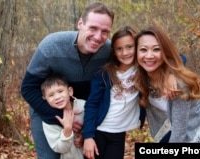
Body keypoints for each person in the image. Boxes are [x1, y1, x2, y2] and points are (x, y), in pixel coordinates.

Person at [21, 2, 114, 158]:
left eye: (105, 31)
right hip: (47, 109)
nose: (98, 37)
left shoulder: (109, 51)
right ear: (80, 23)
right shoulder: (51, 46)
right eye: (93, 28)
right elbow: (28, 89)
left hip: (84, 112)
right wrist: (60, 119)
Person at [134, 25, 200, 143]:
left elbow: (179, 133)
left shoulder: (178, 85)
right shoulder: (142, 78)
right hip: (171, 127)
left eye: (156, 49)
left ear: (165, 51)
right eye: (143, 49)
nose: (149, 55)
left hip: (199, 127)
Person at [82, 25, 140, 159]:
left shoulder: (142, 71)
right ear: (114, 51)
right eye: (119, 49)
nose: (125, 53)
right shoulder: (104, 74)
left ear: (137, 46)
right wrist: (88, 136)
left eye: (129, 47)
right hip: (98, 132)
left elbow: (178, 58)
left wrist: (171, 75)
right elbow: (92, 104)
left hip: (118, 134)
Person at [41, 74, 85, 159]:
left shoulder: (84, 106)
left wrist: (84, 136)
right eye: (51, 95)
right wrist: (67, 131)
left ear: (70, 91)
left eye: (60, 91)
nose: (57, 97)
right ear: (45, 99)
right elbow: (59, 148)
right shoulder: (48, 121)